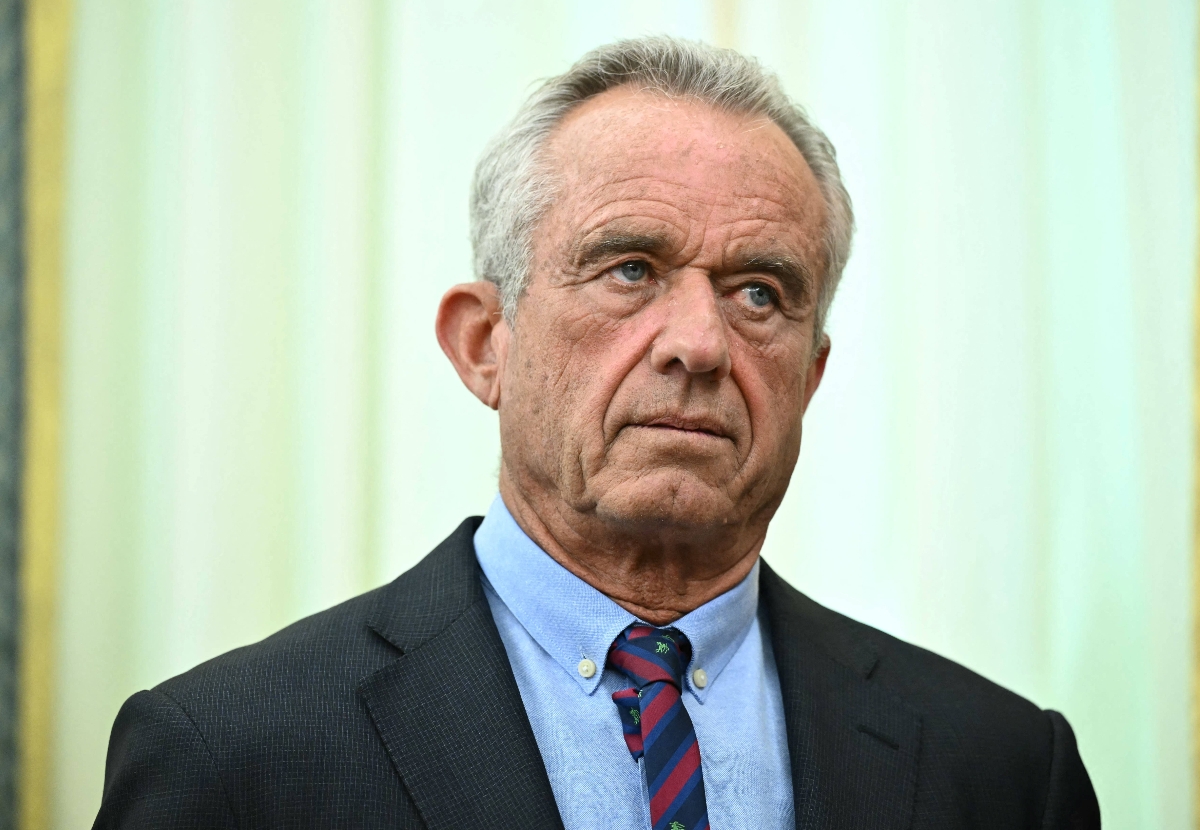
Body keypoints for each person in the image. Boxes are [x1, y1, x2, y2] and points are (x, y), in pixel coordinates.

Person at [93, 37, 1099, 830]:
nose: (699, 344)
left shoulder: (1000, 767)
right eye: (628, 269)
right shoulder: (232, 755)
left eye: (759, 291)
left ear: (810, 376)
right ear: (483, 342)